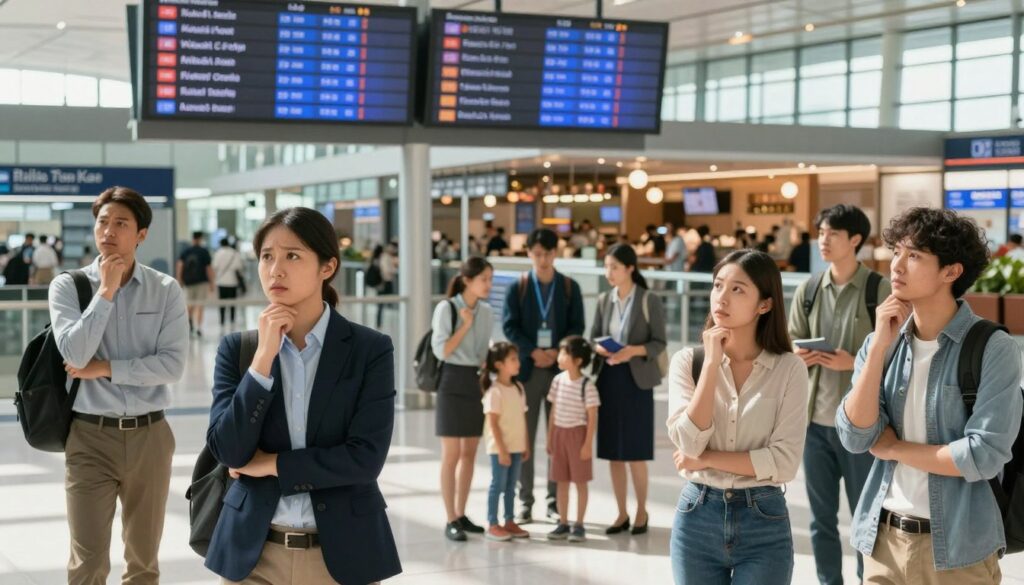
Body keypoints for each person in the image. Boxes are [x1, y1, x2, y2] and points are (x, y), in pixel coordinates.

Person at [205, 207, 401, 585]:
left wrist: (271, 464)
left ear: (327, 267)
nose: (275, 269)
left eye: (292, 255)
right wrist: (262, 361)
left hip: (340, 556)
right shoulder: (239, 350)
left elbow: (365, 459)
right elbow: (228, 451)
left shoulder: (369, 349)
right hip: (252, 554)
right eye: (267, 256)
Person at [836, 207, 1023, 584]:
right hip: (882, 540)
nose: (897, 266)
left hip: (959, 550)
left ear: (951, 272)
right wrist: (876, 351)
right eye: (897, 252)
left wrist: (893, 448)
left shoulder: (992, 347)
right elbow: (855, 436)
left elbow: (984, 455)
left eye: (914, 256)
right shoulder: (882, 344)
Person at [49, 186, 188, 584]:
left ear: (141, 234)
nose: (108, 231)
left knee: (144, 561)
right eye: (103, 222)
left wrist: (106, 367)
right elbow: (75, 355)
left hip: (151, 437)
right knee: (88, 560)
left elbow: (172, 365)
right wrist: (105, 292)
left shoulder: (165, 290)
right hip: (90, 436)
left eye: (121, 224)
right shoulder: (68, 287)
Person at [667, 249, 809, 585]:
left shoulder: (790, 369)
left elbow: (784, 463)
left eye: (738, 289)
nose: (722, 298)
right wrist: (713, 365)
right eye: (718, 286)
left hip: (764, 519)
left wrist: (706, 458)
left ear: (765, 304)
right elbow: (687, 441)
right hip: (697, 515)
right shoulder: (689, 362)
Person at [788, 205, 890, 585]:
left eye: (832, 233)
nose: (823, 240)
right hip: (815, 425)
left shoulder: (878, 290)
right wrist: (801, 354)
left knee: (867, 518)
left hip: (862, 428)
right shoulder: (809, 289)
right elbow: (790, 344)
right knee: (821, 520)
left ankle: (870, 580)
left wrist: (853, 363)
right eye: (821, 232)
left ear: (855, 240)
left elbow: (896, 355)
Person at [502, 228, 585, 524]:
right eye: (537, 254)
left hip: (559, 372)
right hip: (527, 372)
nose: (543, 259)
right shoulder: (519, 287)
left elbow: (577, 326)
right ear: (528, 253)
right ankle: (526, 501)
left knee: (558, 438)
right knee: (523, 438)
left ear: (556, 253)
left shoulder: (568, 288)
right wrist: (533, 351)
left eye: (548, 254)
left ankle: (553, 501)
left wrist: (558, 351)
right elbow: (509, 326)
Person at [590, 244, 667, 535]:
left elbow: (658, 342)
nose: (609, 273)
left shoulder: (649, 300)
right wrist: (602, 348)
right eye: (606, 267)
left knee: (635, 452)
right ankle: (620, 512)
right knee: (613, 452)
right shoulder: (602, 300)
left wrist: (631, 351)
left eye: (614, 267)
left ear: (630, 268)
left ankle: (641, 511)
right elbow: (592, 339)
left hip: (637, 382)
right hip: (609, 380)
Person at [432, 257, 495, 541]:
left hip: (474, 381)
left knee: (470, 453)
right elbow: (442, 351)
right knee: (451, 454)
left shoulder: (488, 312)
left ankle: (461, 512)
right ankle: (449, 517)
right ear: (467, 280)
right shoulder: (447, 308)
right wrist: (465, 326)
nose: (489, 285)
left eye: (490, 280)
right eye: (484, 279)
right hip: (451, 380)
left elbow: (483, 354)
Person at [545, 336, 600, 543]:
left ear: (577, 360)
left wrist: (587, 444)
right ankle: (563, 522)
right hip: (559, 434)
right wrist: (550, 438)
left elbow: (592, 417)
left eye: (564, 353)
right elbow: (552, 412)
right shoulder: (557, 381)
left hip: (578, 436)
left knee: (580, 482)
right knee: (561, 481)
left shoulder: (587, 386)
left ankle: (579, 524)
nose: (559, 357)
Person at [480, 342, 532, 542]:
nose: (518, 363)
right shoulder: (494, 391)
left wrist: (525, 444)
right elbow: (492, 424)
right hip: (499, 448)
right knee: (498, 485)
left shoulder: (519, 388)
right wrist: (502, 449)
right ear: (499, 364)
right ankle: (493, 523)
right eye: (513, 359)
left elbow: (522, 419)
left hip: (517, 447)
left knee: (511, 487)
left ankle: (509, 521)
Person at [177, 231, 215, 337]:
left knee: (189, 305)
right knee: (200, 305)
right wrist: (212, 283)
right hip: (202, 282)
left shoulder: (186, 251)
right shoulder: (204, 251)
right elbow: (208, 268)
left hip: (188, 283)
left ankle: (189, 325)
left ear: (192, 238)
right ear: (200, 239)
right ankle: (198, 327)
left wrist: (179, 280)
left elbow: (180, 266)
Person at [212, 237, 245, 327]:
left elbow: (215, 266)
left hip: (221, 281)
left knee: (222, 302)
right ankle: (232, 320)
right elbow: (239, 266)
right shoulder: (234, 253)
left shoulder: (218, 253)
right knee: (232, 302)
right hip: (232, 281)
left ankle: (222, 320)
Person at [376, 241, 398, 329]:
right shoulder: (386, 257)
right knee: (382, 303)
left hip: (386, 282)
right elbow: (387, 270)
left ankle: (386, 322)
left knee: (386, 303)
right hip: (385, 282)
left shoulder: (388, 257)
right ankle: (379, 323)